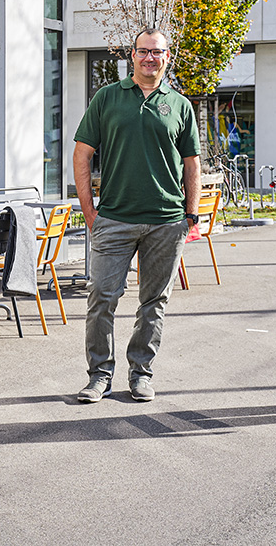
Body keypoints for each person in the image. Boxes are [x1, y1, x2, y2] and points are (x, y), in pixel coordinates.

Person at [72, 28, 201, 404]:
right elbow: (82, 154)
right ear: (132, 55)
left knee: (154, 301)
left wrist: (190, 214)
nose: (150, 58)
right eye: (143, 51)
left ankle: (141, 373)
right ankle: (99, 376)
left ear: (166, 57)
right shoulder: (108, 98)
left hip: (166, 221)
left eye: (157, 52)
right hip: (114, 217)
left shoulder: (179, 105)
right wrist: (90, 212)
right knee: (101, 297)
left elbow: (192, 163)